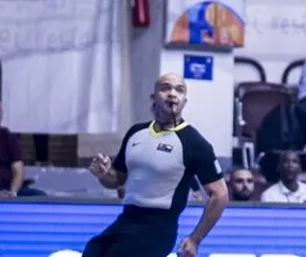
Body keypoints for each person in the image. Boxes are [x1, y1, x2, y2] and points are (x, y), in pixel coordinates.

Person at [84, 74, 228, 257]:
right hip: (127, 219)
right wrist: (104, 174)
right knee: (93, 250)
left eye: (179, 90)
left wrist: (195, 239)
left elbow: (220, 195)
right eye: (165, 88)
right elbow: (118, 180)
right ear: (154, 97)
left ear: (184, 101)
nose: (172, 94)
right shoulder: (136, 133)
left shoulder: (194, 143)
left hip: (158, 227)